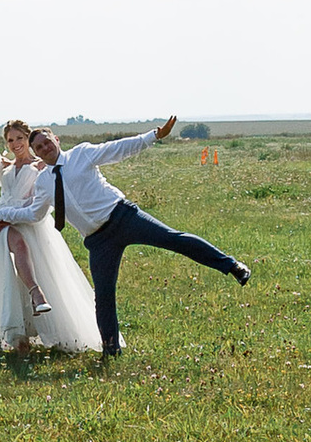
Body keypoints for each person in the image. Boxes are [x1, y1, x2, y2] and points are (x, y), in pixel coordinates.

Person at [30, 118, 250, 357]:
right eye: (39, 148)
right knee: (103, 297)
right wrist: (3, 215)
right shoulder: (42, 182)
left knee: (173, 239)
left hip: (123, 217)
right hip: (98, 241)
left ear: (56, 139)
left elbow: (118, 148)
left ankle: (232, 266)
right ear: (36, 154)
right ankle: (110, 350)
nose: (45, 148)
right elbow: (34, 212)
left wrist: (154, 135)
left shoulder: (81, 154)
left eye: (47, 142)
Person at [0, 107, 102, 354]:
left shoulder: (40, 167)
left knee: (31, 269)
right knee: (17, 247)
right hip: (0, 223)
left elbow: (47, 193)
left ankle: (24, 336)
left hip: (29, 221)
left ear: (28, 139)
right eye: (10, 140)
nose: (15, 144)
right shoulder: (4, 167)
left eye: (19, 138)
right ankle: (35, 298)